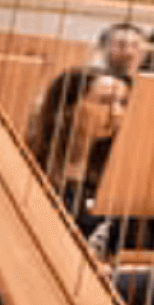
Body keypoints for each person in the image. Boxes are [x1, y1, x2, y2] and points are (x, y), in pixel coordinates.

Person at [27, 66, 131, 224]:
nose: (116, 112)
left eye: (123, 103)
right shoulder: (30, 165)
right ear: (68, 108)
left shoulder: (116, 170)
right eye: (105, 102)